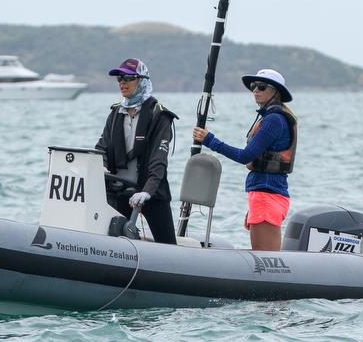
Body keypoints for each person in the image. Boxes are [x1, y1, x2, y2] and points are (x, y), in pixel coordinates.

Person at [192, 69, 297, 251]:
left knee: (266, 260)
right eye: (253, 86)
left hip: (267, 195)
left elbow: (245, 156)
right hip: (263, 194)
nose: (256, 90)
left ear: (276, 92)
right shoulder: (271, 117)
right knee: (261, 256)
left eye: (262, 87)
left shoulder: (274, 120)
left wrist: (210, 140)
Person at [95, 58, 178, 245]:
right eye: (119, 78)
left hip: (151, 193)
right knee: (109, 243)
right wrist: (101, 165)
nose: (122, 82)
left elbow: (159, 160)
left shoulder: (160, 115)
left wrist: (147, 192)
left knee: (168, 245)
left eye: (128, 77)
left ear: (142, 80)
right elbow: (102, 148)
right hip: (120, 191)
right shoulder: (115, 113)